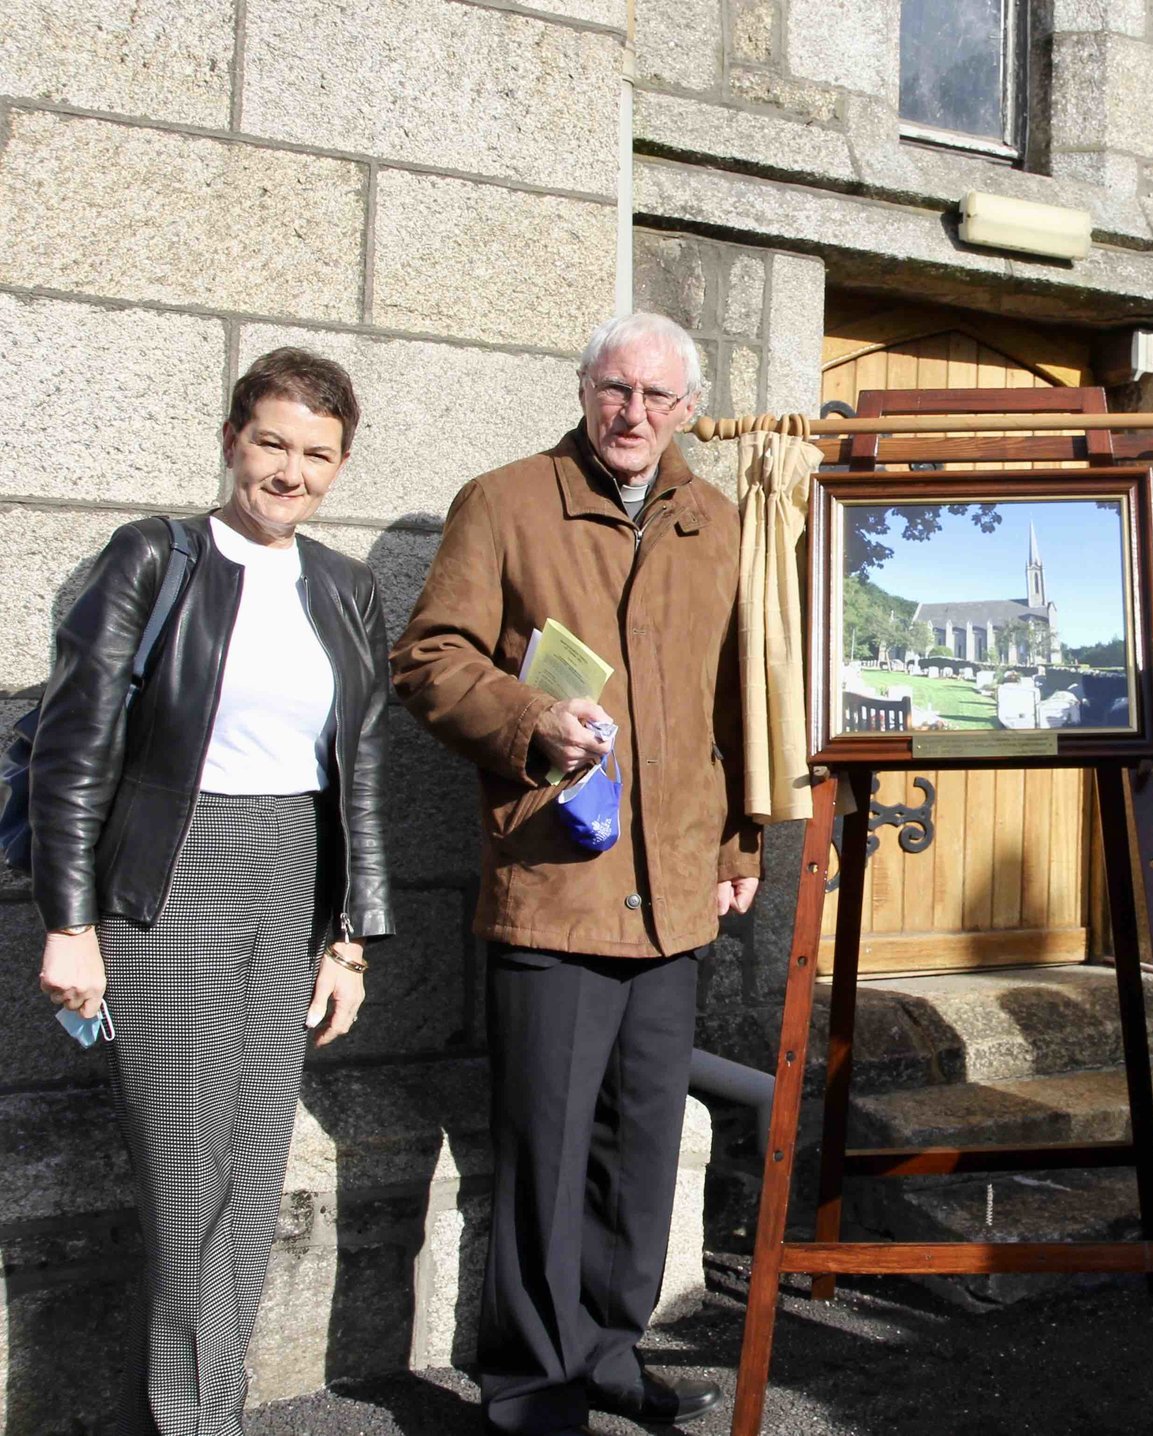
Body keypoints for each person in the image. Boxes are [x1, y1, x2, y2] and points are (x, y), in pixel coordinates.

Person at [390, 311, 761, 1435]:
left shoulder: (718, 517)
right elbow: (428, 657)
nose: (633, 414)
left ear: (689, 408)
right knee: (546, 1141)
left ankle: (609, 1350)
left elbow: (739, 695)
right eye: (614, 390)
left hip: (674, 895)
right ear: (585, 389)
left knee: (641, 1140)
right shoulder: (505, 500)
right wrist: (530, 716)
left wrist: (741, 845)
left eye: (656, 396)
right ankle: (534, 1380)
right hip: (557, 881)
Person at [31, 347, 393, 1435]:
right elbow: (74, 746)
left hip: (291, 881)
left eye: (316, 453)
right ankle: (195, 1420)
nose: (290, 471)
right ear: (233, 438)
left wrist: (350, 938)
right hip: (170, 878)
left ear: (338, 465)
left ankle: (209, 1408)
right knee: (186, 1175)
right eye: (273, 442)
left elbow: (359, 768)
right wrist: (70, 923)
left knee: (250, 1166)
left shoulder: (344, 587)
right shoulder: (154, 557)